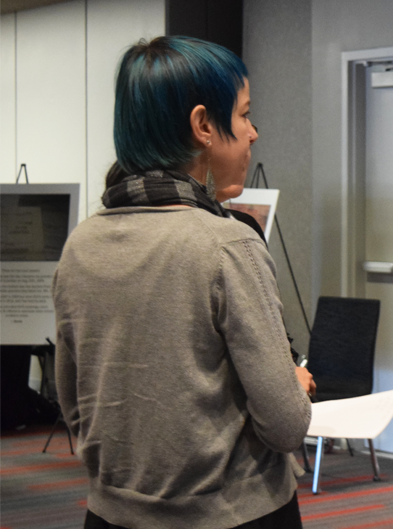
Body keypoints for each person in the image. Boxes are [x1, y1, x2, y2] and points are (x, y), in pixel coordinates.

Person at [53, 36, 314, 529]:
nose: (253, 132)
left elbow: (76, 410)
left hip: (109, 515)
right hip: (235, 517)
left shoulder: (80, 246)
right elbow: (285, 425)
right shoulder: (227, 245)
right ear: (202, 126)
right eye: (243, 115)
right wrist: (295, 384)